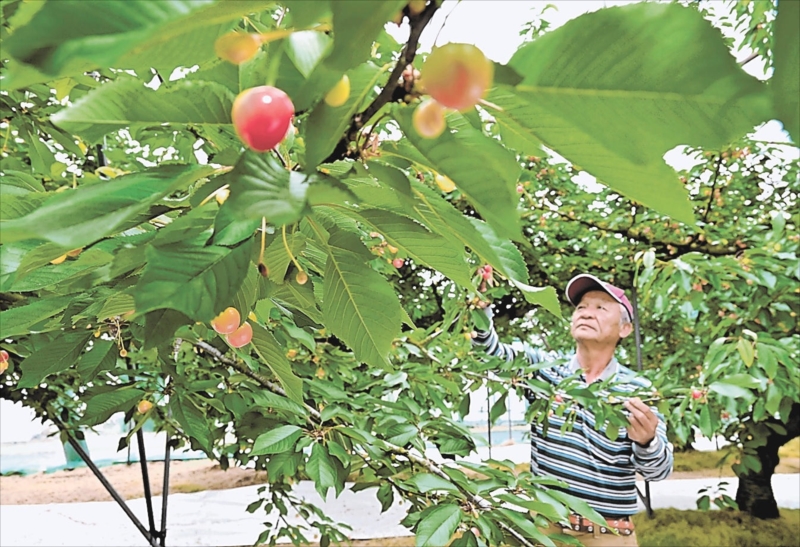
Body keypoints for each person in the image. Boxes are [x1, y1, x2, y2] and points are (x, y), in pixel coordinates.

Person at [472, 273, 673, 547]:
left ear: (625, 329)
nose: (587, 314)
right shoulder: (544, 372)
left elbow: (659, 471)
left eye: (600, 308)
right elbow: (490, 354)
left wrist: (648, 442)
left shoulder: (638, 391)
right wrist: (480, 307)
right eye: (581, 307)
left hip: (607, 534)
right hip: (545, 529)